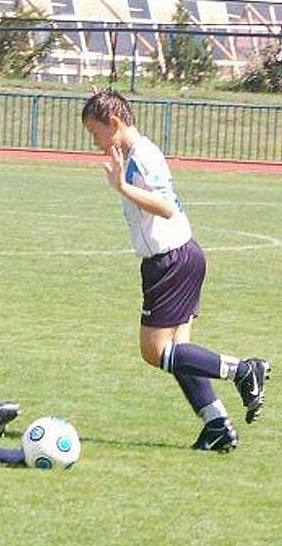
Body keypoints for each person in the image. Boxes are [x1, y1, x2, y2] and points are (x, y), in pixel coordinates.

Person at [81, 88, 270, 452]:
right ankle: (217, 425)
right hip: (183, 256)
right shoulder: (135, 152)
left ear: (115, 123)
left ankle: (244, 370)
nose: (95, 142)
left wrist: (120, 186)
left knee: (156, 352)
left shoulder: (144, 157)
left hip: (170, 262)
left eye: (96, 133)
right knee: (180, 353)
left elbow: (165, 207)